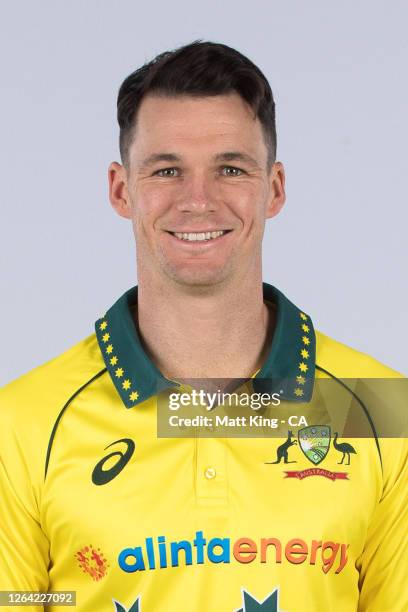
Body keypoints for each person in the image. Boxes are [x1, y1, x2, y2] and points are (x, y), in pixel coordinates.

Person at [0, 40, 406, 612]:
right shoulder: (21, 425)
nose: (198, 201)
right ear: (121, 189)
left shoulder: (383, 410)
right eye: (167, 170)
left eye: (231, 169)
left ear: (274, 188)